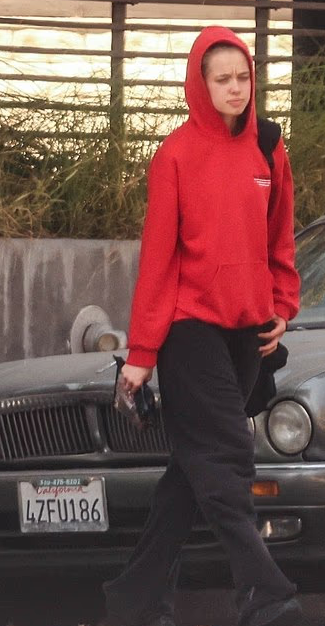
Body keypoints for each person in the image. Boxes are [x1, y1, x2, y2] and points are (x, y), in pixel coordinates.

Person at [101, 26, 302, 626]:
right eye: (222, 79)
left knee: (191, 471)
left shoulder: (269, 147)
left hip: (249, 330)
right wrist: (143, 352)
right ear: (201, 83)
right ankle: (266, 594)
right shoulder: (175, 155)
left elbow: (280, 237)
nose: (236, 89)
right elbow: (159, 259)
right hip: (190, 328)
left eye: (243, 78)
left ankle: (136, 599)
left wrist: (283, 305)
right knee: (227, 455)